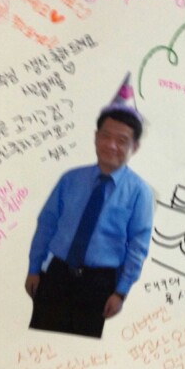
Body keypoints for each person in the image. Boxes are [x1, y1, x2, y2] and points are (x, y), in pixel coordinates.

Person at [25, 73, 154, 338]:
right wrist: (34, 268)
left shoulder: (139, 193)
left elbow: (137, 246)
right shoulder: (71, 179)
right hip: (56, 275)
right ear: (96, 137)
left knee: (82, 350)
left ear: (136, 146)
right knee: (40, 343)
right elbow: (46, 224)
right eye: (105, 136)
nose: (111, 145)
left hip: (99, 285)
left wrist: (121, 292)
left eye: (122, 140)